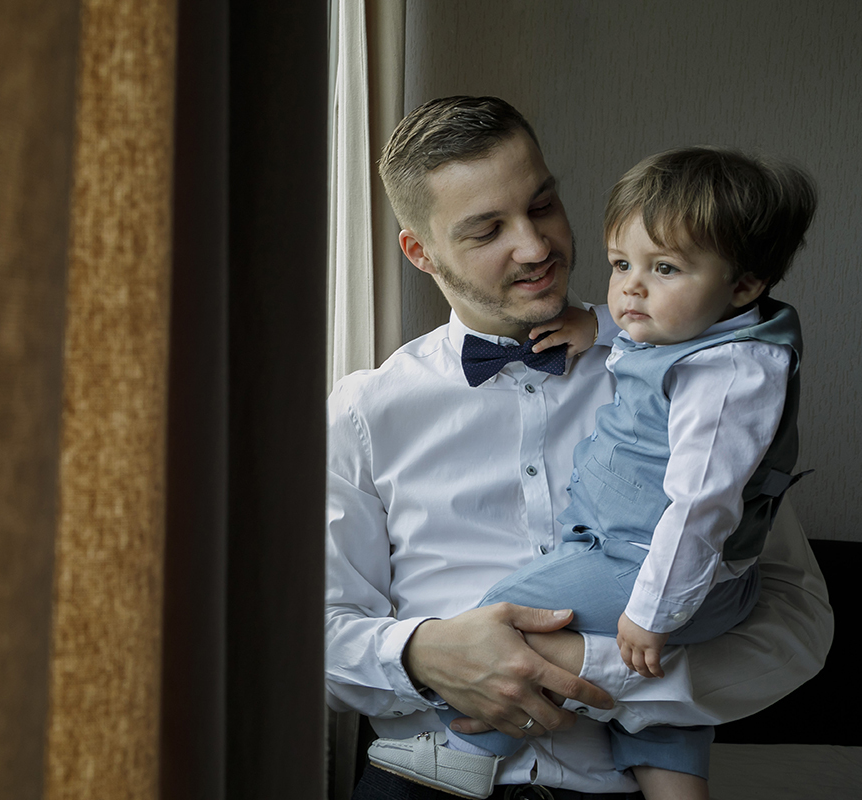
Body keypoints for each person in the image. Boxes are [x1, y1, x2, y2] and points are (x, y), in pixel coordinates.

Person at [324, 95, 832, 800]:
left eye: (541, 205)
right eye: (486, 230)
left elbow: (794, 623)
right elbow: (314, 637)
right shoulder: (361, 411)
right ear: (420, 251)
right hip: (424, 783)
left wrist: (601, 667)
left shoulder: (694, 373)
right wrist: (420, 652)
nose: (534, 247)